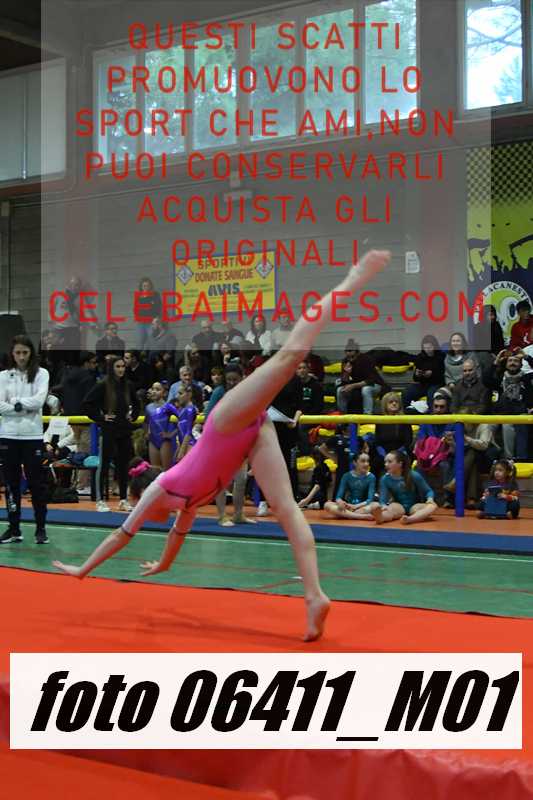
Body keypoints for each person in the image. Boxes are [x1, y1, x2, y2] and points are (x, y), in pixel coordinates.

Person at [52, 250, 390, 642]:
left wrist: (83, 570)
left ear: (141, 495)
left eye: (136, 506)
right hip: (251, 435)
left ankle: (352, 279)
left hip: (225, 424)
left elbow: (121, 535)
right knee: (285, 508)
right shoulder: (185, 506)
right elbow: (174, 542)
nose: (141, 515)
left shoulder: (162, 489)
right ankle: (314, 595)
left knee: (289, 357)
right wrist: (162, 565)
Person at [0, 336, 50, 544]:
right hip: (8, 436)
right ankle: (14, 529)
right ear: (12, 354)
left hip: (32, 436)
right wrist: (22, 407)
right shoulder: (3, 376)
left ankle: (40, 528)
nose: (21, 357)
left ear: (31, 353)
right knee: (11, 485)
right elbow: (0, 405)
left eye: (25, 352)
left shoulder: (41, 373)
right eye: (18, 353)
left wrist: (14, 403)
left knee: (36, 484)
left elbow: (39, 401)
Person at [83, 355, 140, 512]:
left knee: (123, 465)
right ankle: (100, 500)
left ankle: (123, 499)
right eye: (117, 366)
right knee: (104, 464)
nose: (121, 369)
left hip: (124, 429)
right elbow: (87, 404)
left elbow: (137, 403)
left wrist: (133, 416)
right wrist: (101, 417)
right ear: (111, 368)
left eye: (123, 366)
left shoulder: (128, 385)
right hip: (109, 429)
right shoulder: (102, 385)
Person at [368, 450, 437, 525]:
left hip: (415, 506)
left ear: (400, 464)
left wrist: (430, 499)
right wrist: (383, 506)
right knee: (390, 508)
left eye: (389, 462)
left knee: (432, 506)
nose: (386, 464)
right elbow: (383, 500)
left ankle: (411, 519)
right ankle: (381, 517)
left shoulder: (413, 475)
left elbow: (428, 491)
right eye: (385, 462)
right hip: (399, 506)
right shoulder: (385, 479)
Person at [324, 452, 376, 520]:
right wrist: (340, 502)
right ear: (355, 463)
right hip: (349, 506)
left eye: (368, 461)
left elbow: (370, 499)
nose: (366, 464)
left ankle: (345, 515)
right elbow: (338, 497)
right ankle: (360, 516)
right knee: (327, 505)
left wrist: (356, 506)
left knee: (375, 506)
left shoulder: (371, 477)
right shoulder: (346, 476)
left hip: (362, 507)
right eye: (363, 461)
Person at [144, 382, 181, 470]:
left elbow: (182, 420)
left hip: (165, 440)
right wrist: (146, 433)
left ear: (164, 393)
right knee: (155, 470)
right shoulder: (148, 407)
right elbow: (146, 422)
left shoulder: (168, 407)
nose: (154, 391)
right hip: (153, 440)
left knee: (166, 470)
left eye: (157, 389)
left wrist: (171, 434)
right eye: (153, 389)